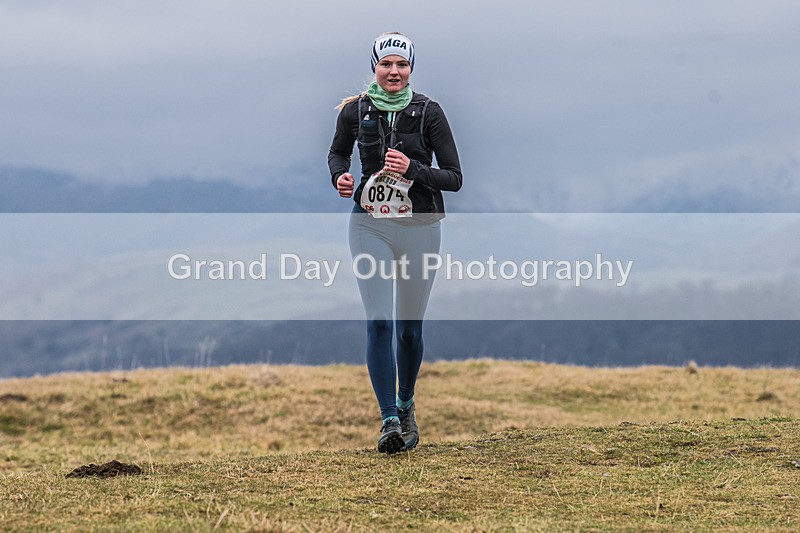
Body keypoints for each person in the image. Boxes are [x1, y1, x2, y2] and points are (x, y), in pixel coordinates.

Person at [328, 32, 462, 454]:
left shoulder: (429, 113)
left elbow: (455, 178)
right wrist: (340, 178)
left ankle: (406, 405)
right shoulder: (355, 112)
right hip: (370, 225)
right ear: (374, 67)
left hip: (420, 226)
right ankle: (388, 421)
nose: (393, 71)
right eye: (386, 64)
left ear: (410, 70)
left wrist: (413, 168)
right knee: (380, 321)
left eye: (401, 65)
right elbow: (336, 154)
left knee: (407, 329)